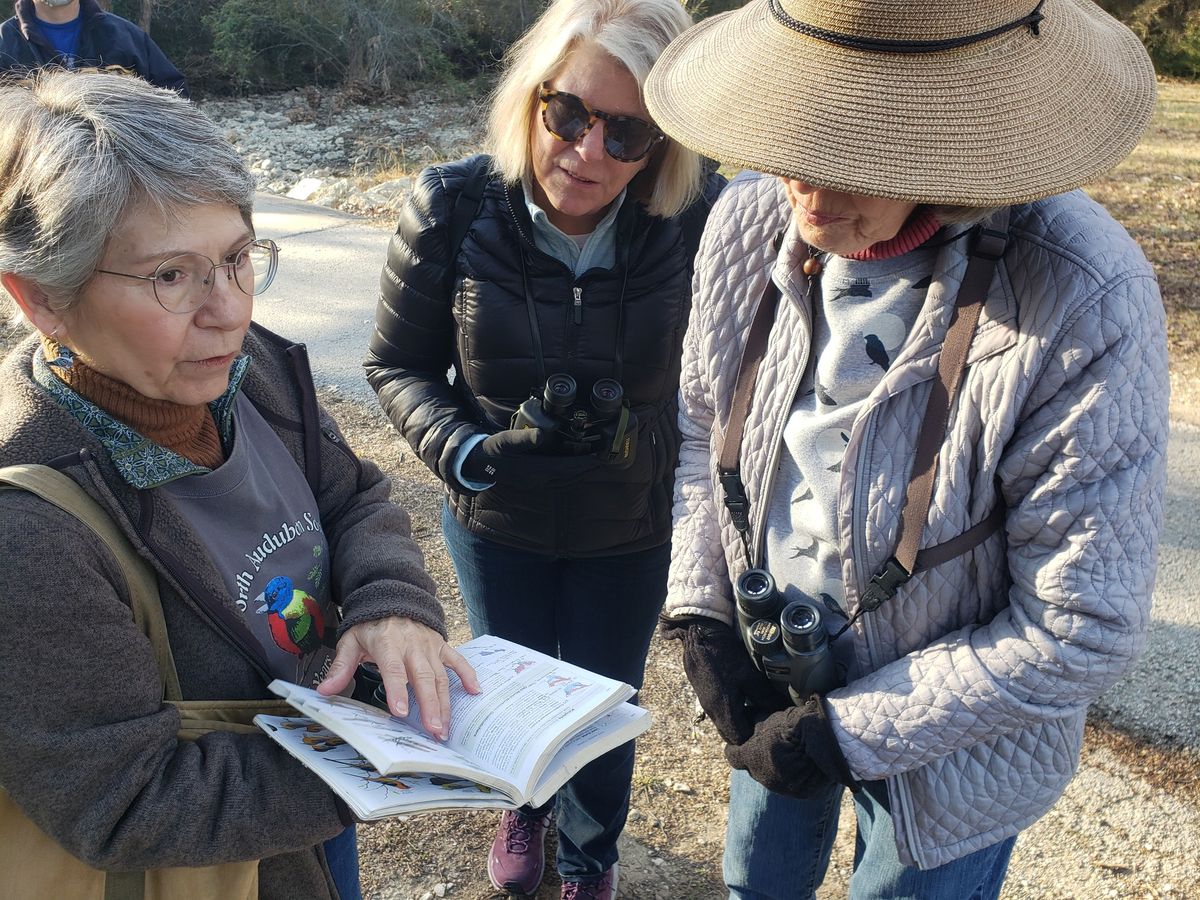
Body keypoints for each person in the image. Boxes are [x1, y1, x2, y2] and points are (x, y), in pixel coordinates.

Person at [644, 0, 1168, 897]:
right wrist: (700, 607)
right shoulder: (745, 219)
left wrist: (844, 731)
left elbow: (1078, 628)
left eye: (853, 156)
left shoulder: (1082, 297)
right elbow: (702, 429)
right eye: (793, 139)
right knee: (755, 880)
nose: (806, 197)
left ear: (951, 144)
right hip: (778, 671)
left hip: (965, 732)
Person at [0, 69, 478, 900]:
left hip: (311, 812)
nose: (227, 310)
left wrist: (391, 605)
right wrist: (372, 764)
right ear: (42, 298)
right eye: (171, 277)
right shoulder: (30, 530)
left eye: (235, 258)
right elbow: (123, 800)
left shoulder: (245, 370)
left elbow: (353, 495)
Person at [364, 0, 724, 894]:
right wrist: (467, 449)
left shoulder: (699, 214)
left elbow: (726, 384)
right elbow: (396, 362)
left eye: (629, 133)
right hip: (497, 519)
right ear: (532, 98)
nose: (588, 153)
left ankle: (590, 858)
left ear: (666, 143)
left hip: (628, 525)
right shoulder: (451, 205)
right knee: (518, 694)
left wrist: (635, 435)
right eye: (569, 114)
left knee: (604, 705)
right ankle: (522, 808)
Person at [0, 0, 187, 94]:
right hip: (32, 168)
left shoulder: (128, 39)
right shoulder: (4, 44)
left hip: (117, 167)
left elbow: (176, 96)